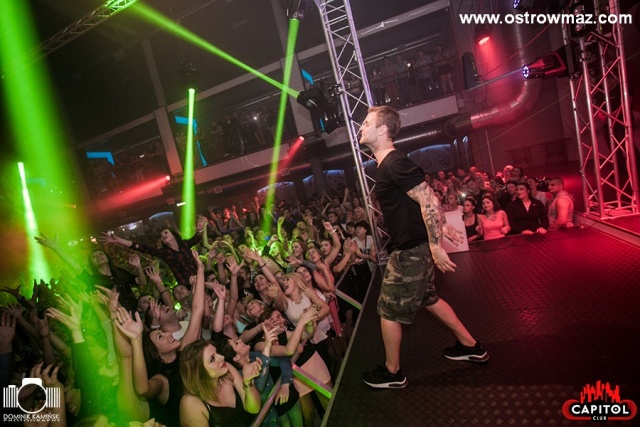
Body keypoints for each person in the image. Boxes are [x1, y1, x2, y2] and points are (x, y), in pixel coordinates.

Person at [358, 106, 488, 389]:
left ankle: (393, 373)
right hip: (415, 247)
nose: (361, 127)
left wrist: (435, 243)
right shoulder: (387, 165)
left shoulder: (394, 163)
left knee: (387, 310)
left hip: (410, 251)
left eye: (367, 123)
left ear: (383, 130)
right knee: (429, 298)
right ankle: (470, 345)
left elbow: (428, 199)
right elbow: (420, 201)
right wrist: (441, 225)